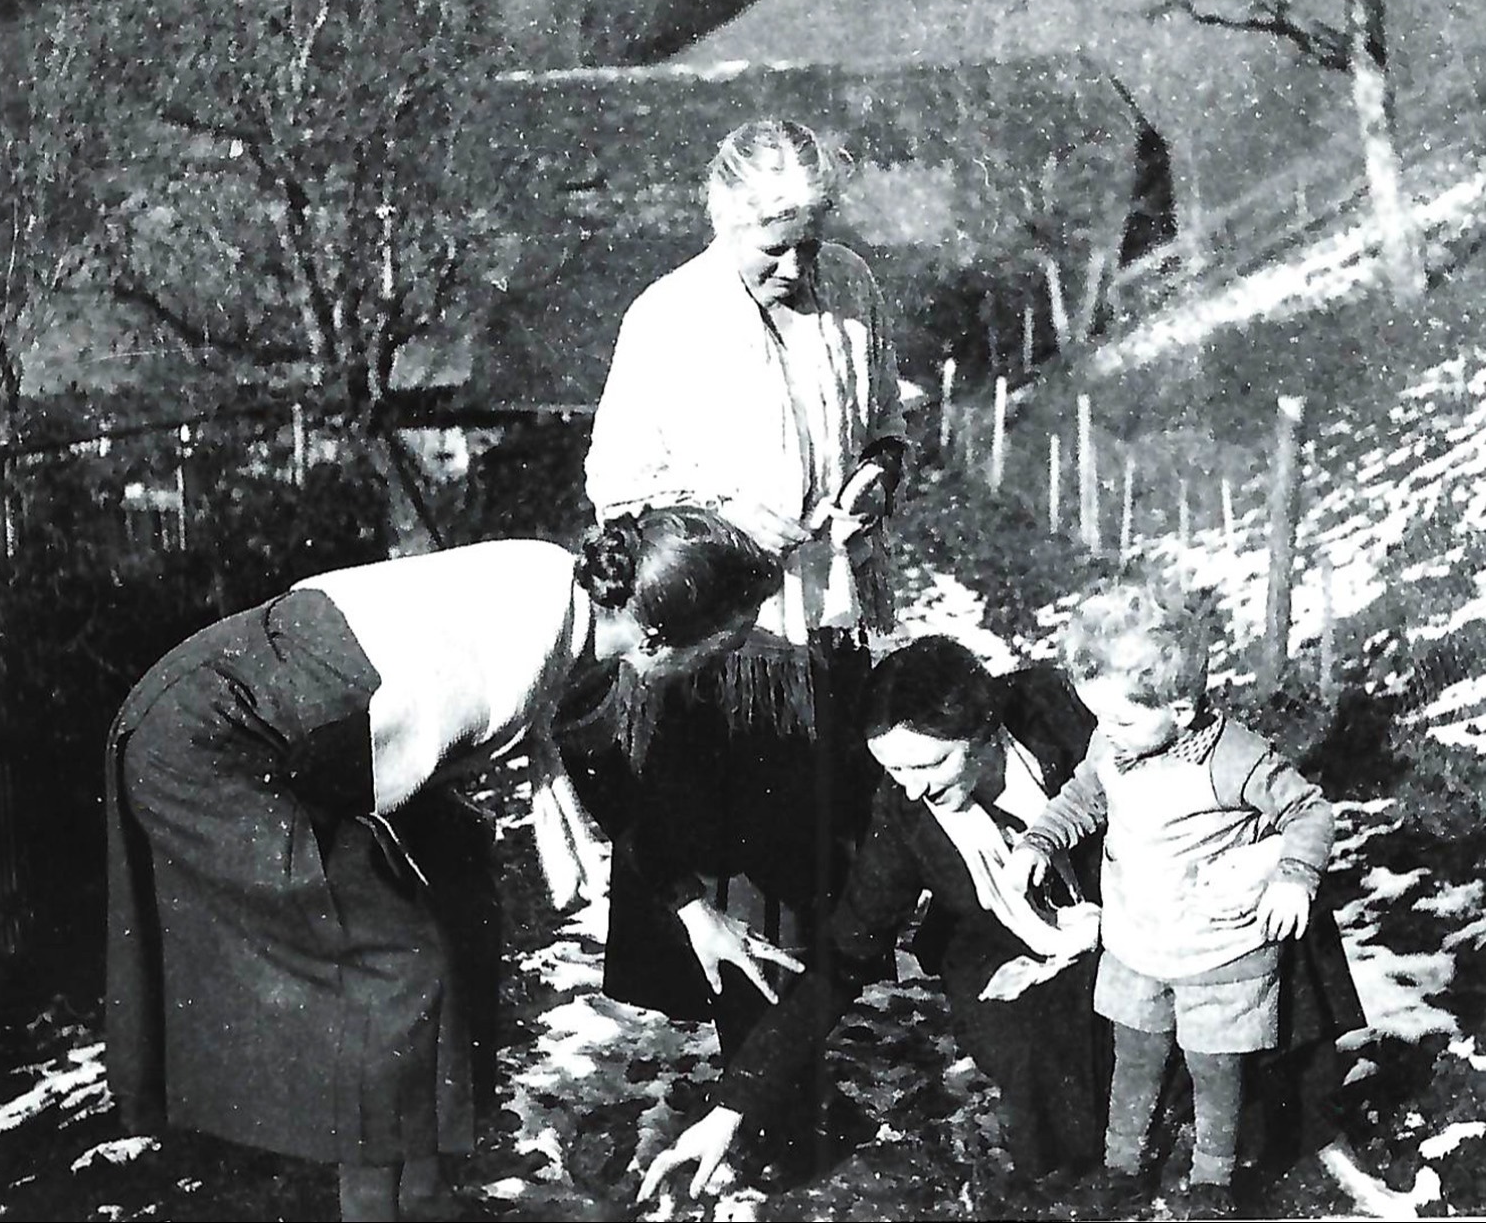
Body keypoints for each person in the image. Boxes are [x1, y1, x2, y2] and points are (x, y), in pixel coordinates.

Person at [104, 506, 782, 1223]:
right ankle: (373, 1210)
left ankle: (421, 1194)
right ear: (657, 638)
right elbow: (335, 771)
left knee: (459, 907)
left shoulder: (579, 607)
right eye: (729, 636)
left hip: (313, 729)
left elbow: (603, 771)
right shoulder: (513, 661)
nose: (731, 653)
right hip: (212, 738)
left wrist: (691, 908)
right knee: (395, 968)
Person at [576, 119, 908, 1141]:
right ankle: (759, 1102)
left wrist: (879, 475)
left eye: (811, 235)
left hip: (830, 616)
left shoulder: (852, 286)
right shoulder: (667, 318)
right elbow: (614, 487)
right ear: (717, 217)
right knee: (744, 869)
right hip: (727, 637)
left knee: (816, 863)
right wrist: (726, 522)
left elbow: (887, 419)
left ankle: (787, 1077)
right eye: (774, 241)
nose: (798, 262)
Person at [637, 636, 1114, 1207]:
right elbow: (844, 956)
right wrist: (732, 1106)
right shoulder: (906, 807)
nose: (913, 787)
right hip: (996, 929)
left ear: (983, 728)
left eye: (930, 763)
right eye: (895, 770)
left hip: (1132, 898)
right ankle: (1070, 1190)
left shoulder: (1059, 711)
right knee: (1030, 1039)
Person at [1005, 576, 1354, 1219]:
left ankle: (1213, 1179)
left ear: (1182, 708)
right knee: (1134, 1054)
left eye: (1122, 718)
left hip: (1219, 953)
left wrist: (1293, 876)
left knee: (1213, 1068)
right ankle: (1122, 1164)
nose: (1105, 730)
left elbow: (1310, 811)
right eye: (1098, 716)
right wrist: (1041, 840)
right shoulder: (1113, 742)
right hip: (1139, 940)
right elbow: (1085, 796)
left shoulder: (1233, 757)